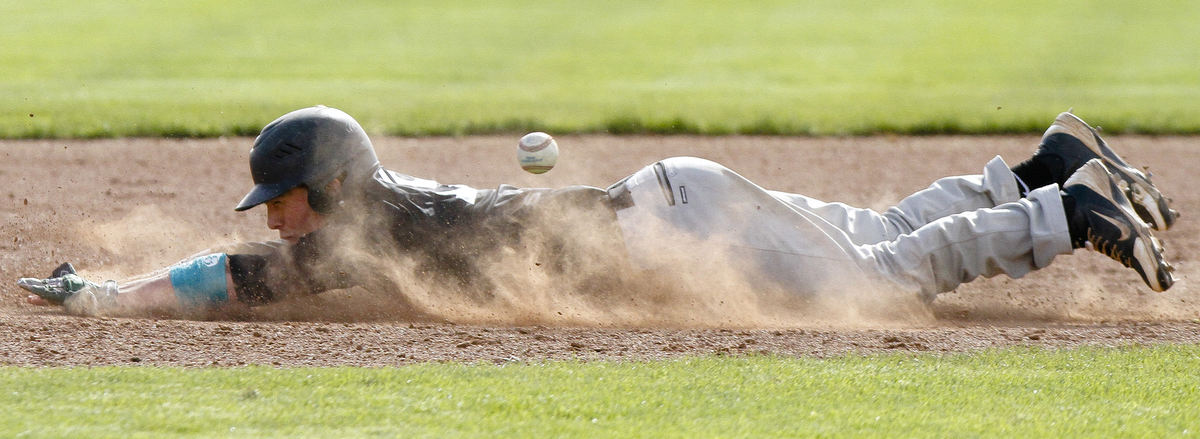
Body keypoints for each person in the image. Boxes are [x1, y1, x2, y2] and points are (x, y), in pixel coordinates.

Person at [17, 106, 1179, 318]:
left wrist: (112, 295)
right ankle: (1035, 171)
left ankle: (1066, 212)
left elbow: (232, 280)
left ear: (333, 186)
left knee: (874, 286)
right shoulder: (384, 208)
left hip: (667, 221)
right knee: (870, 239)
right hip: (673, 199)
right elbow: (242, 266)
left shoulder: (369, 231)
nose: (278, 219)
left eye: (287, 199)